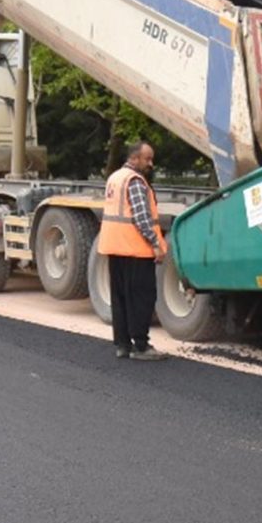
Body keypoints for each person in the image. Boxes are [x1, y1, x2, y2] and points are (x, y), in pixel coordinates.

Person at [100, 142, 170, 360]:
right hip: (135, 249)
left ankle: (123, 345)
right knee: (141, 298)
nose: (151, 163)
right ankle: (141, 346)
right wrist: (156, 244)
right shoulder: (136, 182)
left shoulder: (115, 177)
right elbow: (141, 217)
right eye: (147, 159)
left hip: (115, 247)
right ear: (135, 158)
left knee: (120, 298)